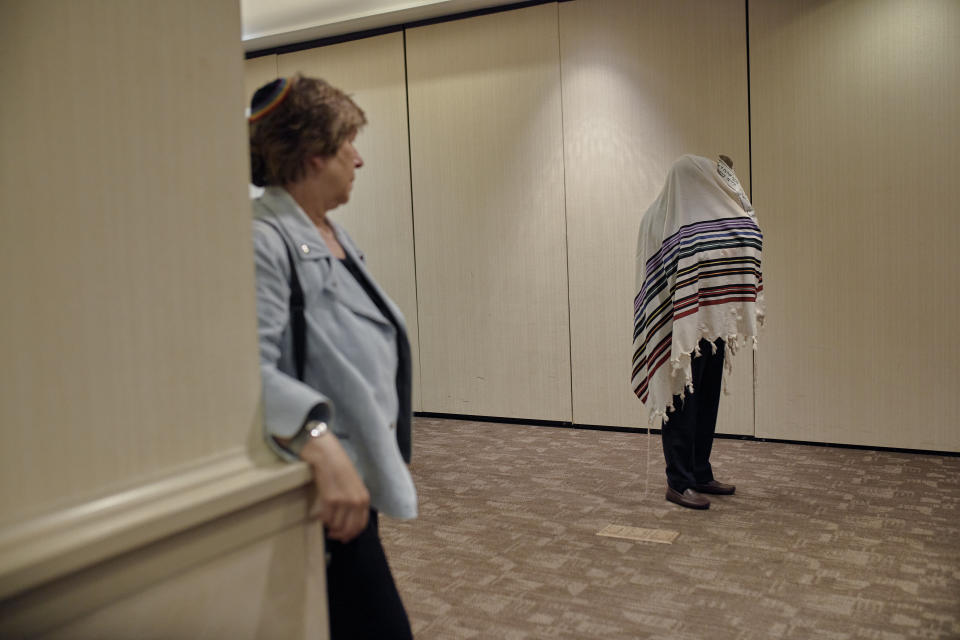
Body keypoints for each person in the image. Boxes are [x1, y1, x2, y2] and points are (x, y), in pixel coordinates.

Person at [249, 74, 416, 638]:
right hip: (315, 483)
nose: (359, 159)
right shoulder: (262, 240)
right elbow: (245, 369)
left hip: (353, 480)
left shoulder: (328, 232)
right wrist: (319, 443)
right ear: (314, 153)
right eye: (349, 143)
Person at [632, 154, 763, 510]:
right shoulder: (656, 219)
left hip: (711, 323)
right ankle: (679, 481)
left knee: (706, 399)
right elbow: (655, 278)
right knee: (682, 399)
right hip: (675, 330)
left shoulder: (713, 216)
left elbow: (749, 238)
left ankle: (701, 471)